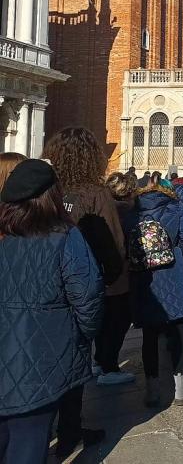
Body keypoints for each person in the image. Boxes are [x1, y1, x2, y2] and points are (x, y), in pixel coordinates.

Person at [0, 160, 104, 464]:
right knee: (28, 442)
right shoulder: (66, 237)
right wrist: (80, 336)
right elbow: (88, 297)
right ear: (52, 196)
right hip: (42, 356)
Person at [42, 127, 126, 455]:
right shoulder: (96, 193)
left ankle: (43, 424)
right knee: (75, 358)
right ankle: (70, 430)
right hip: (82, 285)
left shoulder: (47, 188)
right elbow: (113, 246)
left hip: (47, 285)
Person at [127, 173, 183, 406]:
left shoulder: (132, 210)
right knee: (178, 332)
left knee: (149, 336)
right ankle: (181, 390)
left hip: (144, 278)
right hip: (173, 274)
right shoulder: (176, 207)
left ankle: (153, 389)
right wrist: (175, 252)